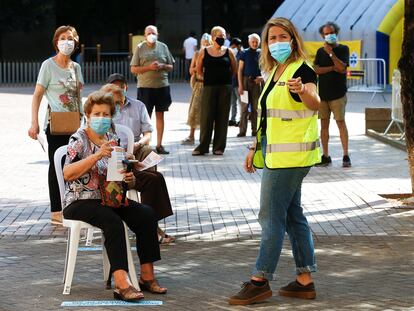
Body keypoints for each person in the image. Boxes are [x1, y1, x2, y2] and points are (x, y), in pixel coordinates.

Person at [228, 17, 321, 305]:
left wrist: (303, 90)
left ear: (293, 39)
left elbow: (315, 102)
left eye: (283, 36)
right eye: (272, 38)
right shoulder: (276, 70)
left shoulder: (302, 70)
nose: (277, 42)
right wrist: (254, 148)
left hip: (290, 159)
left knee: (270, 216)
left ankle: (260, 280)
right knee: (293, 216)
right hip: (278, 155)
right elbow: (268, 118)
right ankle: (304, 280)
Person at [63, 90, 167, 302]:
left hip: (109, 198)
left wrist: (128, 177)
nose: (102, 118)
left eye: (106, 114)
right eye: (97, 113)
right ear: (88, 115)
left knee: (147, 214)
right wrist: (97, 155)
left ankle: (147, 276)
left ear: (112, 116)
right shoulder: (79, 139)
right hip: (80, 200)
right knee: (112, 222)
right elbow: (67, 173)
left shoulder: (112, 137)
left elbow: (113, 174)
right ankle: (121, 283)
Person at [101, 77, 175, 244]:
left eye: (120, 103)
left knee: (156, 177)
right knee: (152, 180)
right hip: (109, 173)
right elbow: (103, 150)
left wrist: (131, 157)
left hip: (124, 162)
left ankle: (151, 226)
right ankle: (151, 229)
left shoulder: (134, 107)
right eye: (116, 104)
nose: (119, 107)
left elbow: (146, 134)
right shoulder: (101, 120)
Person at [27, 25, 84, 225]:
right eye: (62, 38)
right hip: (56, 124)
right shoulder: (48, 65)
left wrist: (83, 118)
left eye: (70, 38)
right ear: (56, 41)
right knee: (56, 165)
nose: (66, 41)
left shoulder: (76, 67)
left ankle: (72, 204)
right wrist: (34, 123)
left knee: (75, 165)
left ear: (75, 43)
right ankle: (56, 210)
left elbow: (78, 96)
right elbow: (37, 96)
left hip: (75, 124)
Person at [192, 26, 237, 156]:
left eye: (223, 35)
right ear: (212, 37)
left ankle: (219, 147)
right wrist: (206, 78)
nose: (222, 38)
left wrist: (226, 78)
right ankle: (202, 147)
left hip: (225, 87)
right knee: (206, 116)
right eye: (219, 35)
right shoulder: (204, 51)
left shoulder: (228, 51)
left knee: (222, 117)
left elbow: (234, 69)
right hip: (209, 87)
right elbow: (199, 69)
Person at [130, 25, 175, 155]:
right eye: (149, 33)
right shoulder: (140, 48)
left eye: (153, 33)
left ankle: (160, 145)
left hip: (162, 86)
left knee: (160, 115)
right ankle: (146, 146)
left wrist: (162, 66)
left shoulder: (163, 47)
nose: (151, 35)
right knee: (146, 117)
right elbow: (133, 69)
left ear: (157, 34)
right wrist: (149, 67)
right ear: (145, 35)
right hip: (145, 87)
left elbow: (171, 66)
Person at [314, 22, 351, 167]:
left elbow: (342, 67)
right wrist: (332, 68)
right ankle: (326, 155)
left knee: (341, 123)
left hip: (338, 94)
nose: (329, 35)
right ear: (322, 35)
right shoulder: (319, 51)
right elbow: (316, 69)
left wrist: (330, 53)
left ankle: (346, 155)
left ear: (336, 32)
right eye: (326, 33)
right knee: (324, 125)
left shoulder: (343, 49)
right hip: (322, 95)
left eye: (331, 32)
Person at [182, 33, 212, 145]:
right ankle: (191, 136)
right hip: (199, 85)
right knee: (194, 109)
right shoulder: (197, 53)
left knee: (210, 111)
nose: (205, 44)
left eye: (208, 42)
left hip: (210, 85)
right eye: (204, 42)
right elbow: (191, 70)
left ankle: (209, 136)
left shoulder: (214, 53)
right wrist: (199, 67)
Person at [237, 33, 263, 137]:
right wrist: (240, 85)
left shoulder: (261, 53)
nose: (255, 43)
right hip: (245, 81)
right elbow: (240, 70)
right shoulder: (244, 53)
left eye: (257, 41)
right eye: (253, 41)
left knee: (256, 108)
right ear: (249, 42)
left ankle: (255, 130)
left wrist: (261, 78)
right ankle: (242, 131)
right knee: (244, 107)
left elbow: (265, 69)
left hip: (256, 82)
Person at [228, 37, 243, 127]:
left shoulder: (242, 54)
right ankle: (233, 119)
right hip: (233, 81)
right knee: (233, 102)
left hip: (238, 82)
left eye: (232, 44)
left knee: (241, 103)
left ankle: (241, 119)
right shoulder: (236, 53)